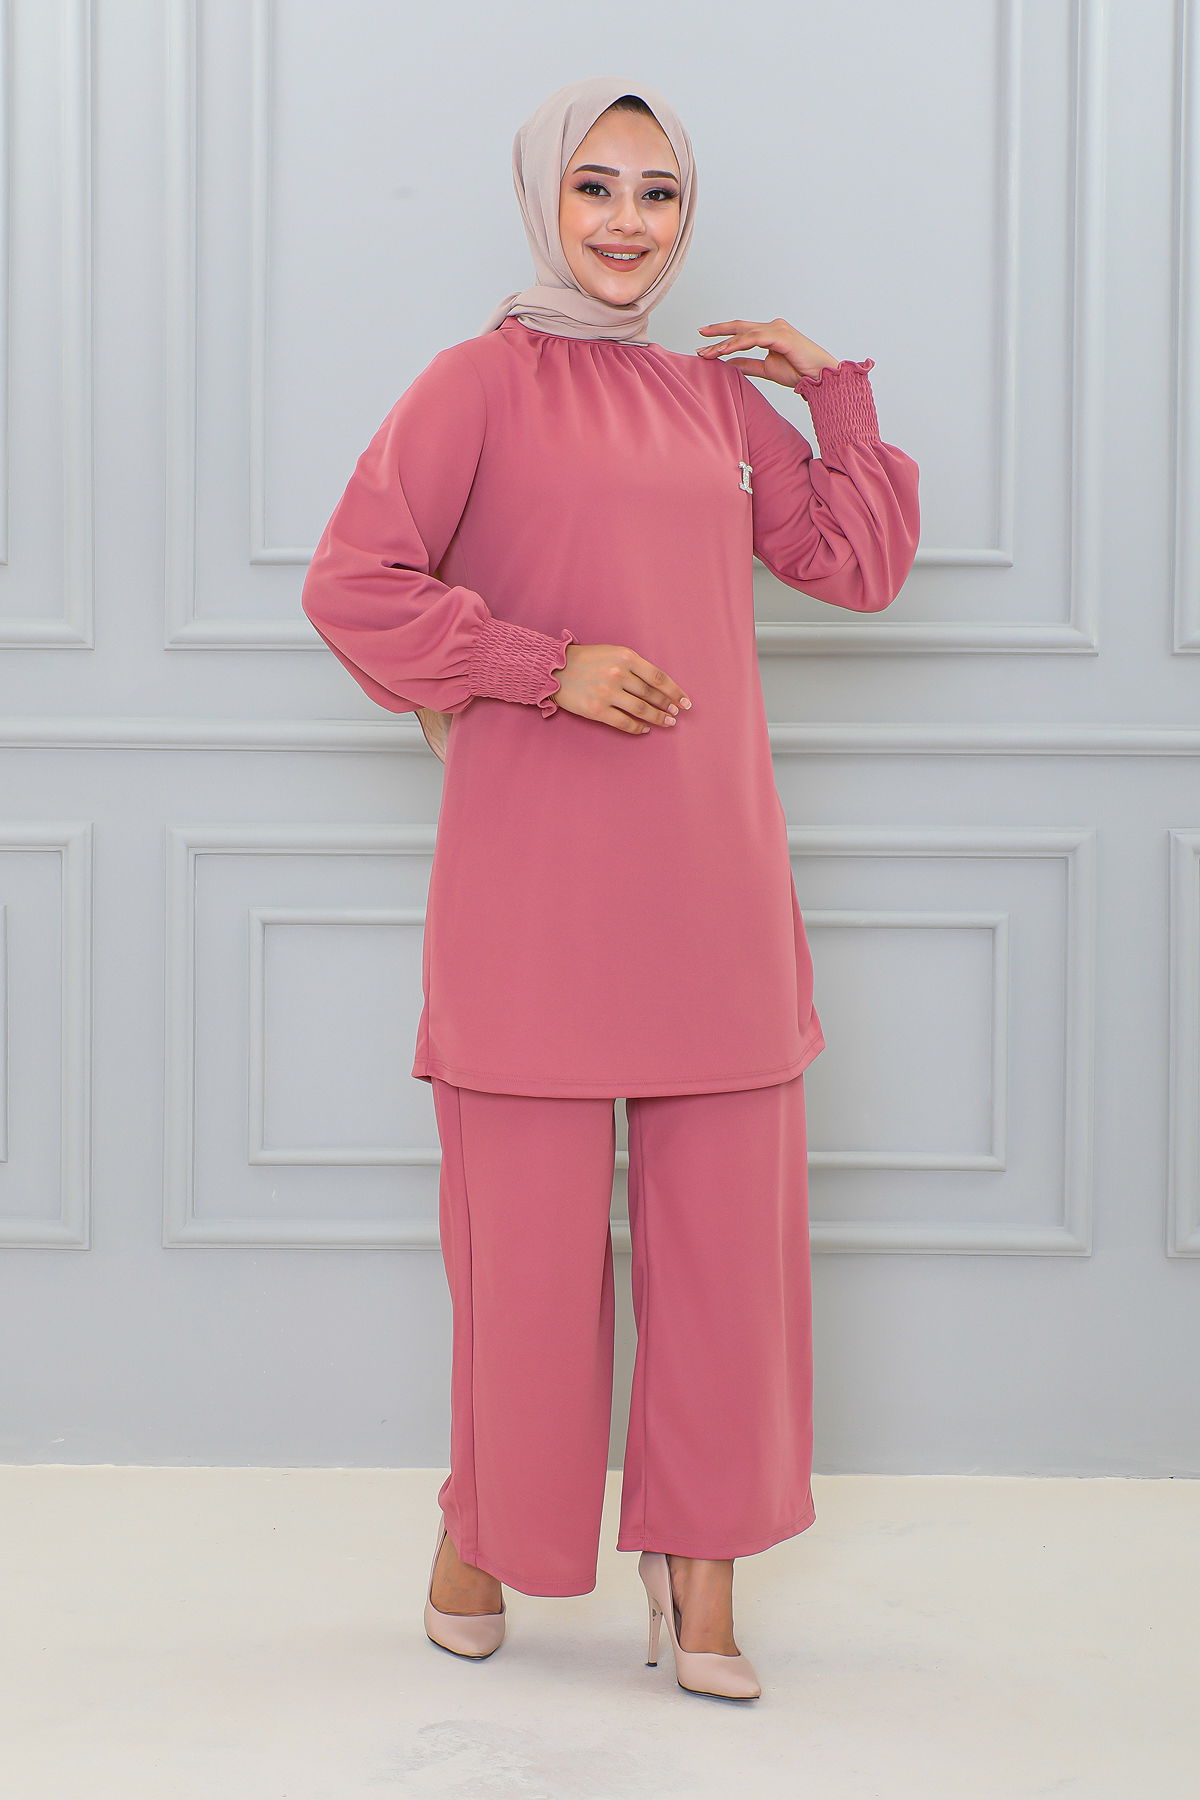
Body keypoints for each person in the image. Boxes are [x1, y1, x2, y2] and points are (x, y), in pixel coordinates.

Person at [300, 75, 920, 1701]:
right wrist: (541, 664)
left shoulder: (714, 404)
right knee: (522, 1257)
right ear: (542, 200)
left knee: (730, 1257)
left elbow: (855, 567)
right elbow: (353, 583)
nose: (629, 221)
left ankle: (702, 1569)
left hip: (713, 882)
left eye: (658, 191)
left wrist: (832, 393)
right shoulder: (474, 384)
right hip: (535, 885)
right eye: (596, 186)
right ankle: (484, 1530)